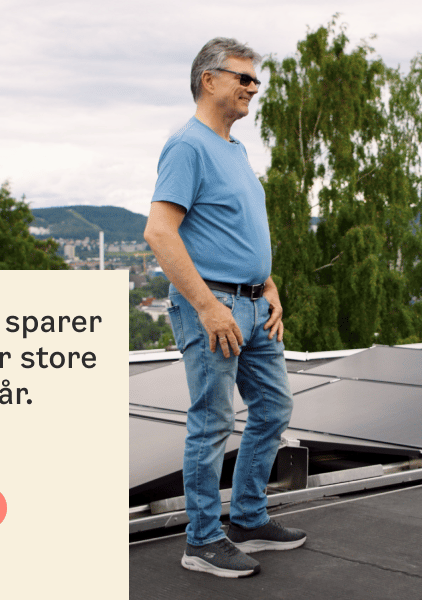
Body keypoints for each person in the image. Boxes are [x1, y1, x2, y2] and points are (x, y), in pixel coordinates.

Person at [143, 37, 307, 579]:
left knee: (273, 409)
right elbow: (160, 232)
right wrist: (209, 306)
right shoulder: (187, 146)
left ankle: (250, 519)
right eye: (242, 77)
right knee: (212, 421)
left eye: (255, 80)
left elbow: (236, 233)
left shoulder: (233, 150)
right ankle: (203, 539)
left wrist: (269, 286)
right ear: (208, 79)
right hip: (213, 308)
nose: (252, 87)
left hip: (256, 306)